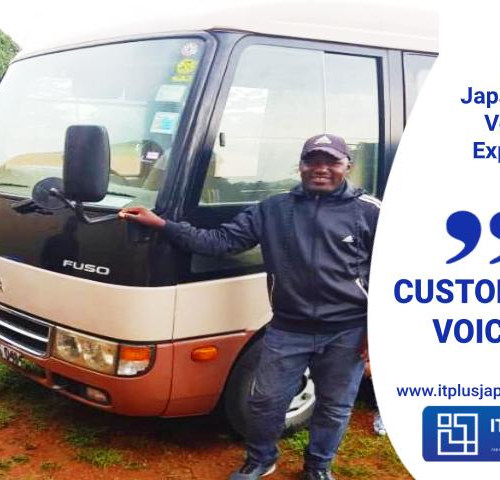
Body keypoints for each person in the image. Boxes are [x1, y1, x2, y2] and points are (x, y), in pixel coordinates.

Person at [119, 134, 380, 480]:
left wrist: (375, 333)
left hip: (346, 331)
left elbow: (393, 274)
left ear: (348, 165)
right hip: (288, 328)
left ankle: (318, 467)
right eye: (312, 161)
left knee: (334, 407)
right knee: (265, 401)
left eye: (331, 161)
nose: (321, 169)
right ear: (300, 166)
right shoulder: (273, 209)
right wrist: (162, 225)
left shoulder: (370, 211)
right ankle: (261, 459)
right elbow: (221, 241)